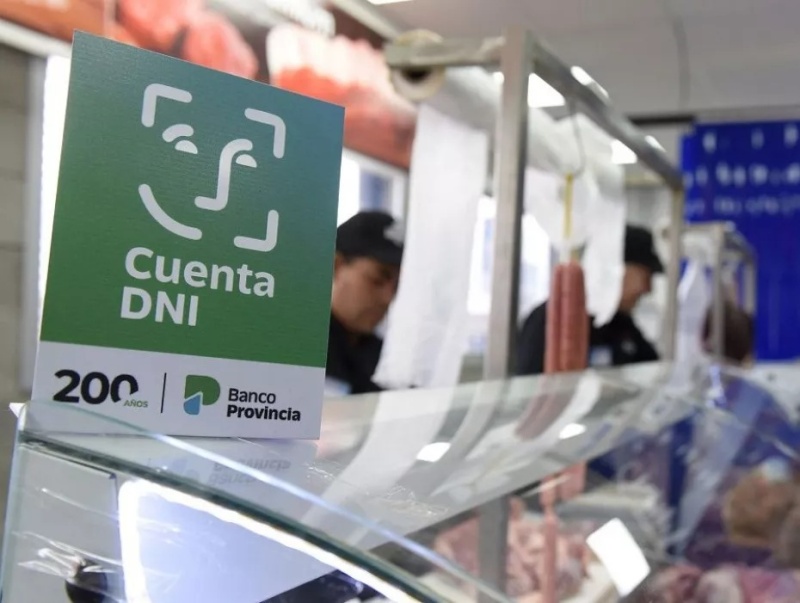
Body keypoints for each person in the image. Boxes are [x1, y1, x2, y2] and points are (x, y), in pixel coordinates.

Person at [517, 225, 664, 375]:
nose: (648, 289)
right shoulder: (549, 320)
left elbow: (655, 372)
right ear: (617, 271)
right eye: (645, 276)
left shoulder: (621, 325)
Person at [326, 211, 404, 395]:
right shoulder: (299, 352)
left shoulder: (387, 360)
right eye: (378, 279)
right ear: (336, 266)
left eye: (397, 286)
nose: (388, 298)